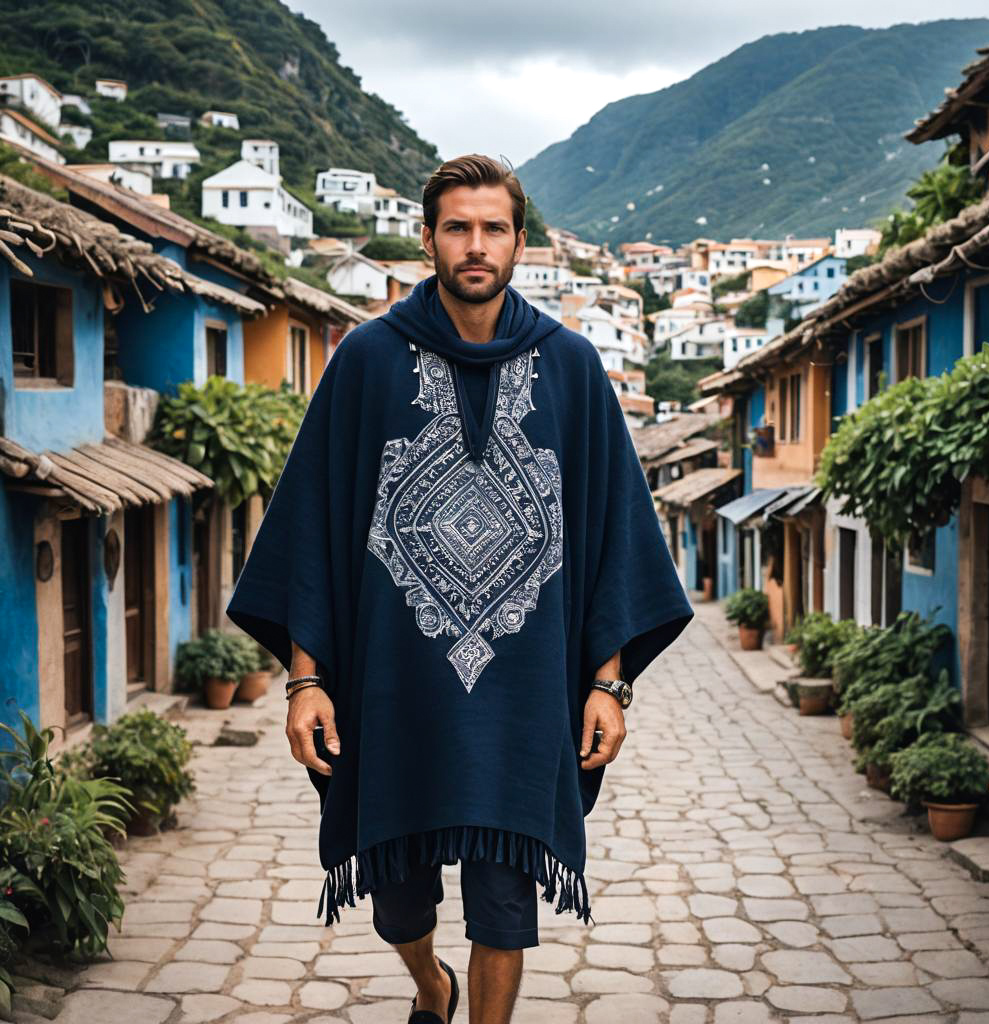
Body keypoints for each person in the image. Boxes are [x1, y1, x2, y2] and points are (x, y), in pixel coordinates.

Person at [226, 154, 693, 1024]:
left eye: (493, 228)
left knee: (507, 907)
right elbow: (315, 531)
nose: (475, 246)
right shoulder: (365, 361)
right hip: (392, 691)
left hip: (523, 700)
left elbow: (614, 543)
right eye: (457, 227)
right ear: (429, 238)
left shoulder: (574, 369)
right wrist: (305, 680)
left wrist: (608, 683)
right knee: (398, 904)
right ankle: (430, 987)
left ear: (521, 241)